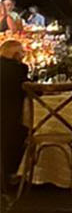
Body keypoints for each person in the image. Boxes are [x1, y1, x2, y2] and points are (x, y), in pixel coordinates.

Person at [0, 39, 29, 190]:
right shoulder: (19, 69)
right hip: (10, 117)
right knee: (24, 132)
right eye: (23, 52)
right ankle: (15, 173)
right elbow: (32, 90)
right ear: (17, 55)